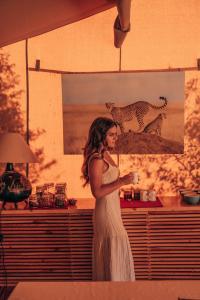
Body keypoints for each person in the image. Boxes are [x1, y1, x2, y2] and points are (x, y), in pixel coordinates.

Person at [81, 117, 135, 281]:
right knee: (114, 251)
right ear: (101, 135)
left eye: (115, 134)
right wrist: (123, 181)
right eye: (111, 135)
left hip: (113, 210)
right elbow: (97, 192)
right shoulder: (96, 159)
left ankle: (119, 294)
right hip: (105, 213)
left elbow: (108, 184)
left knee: (115, 253)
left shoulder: (105, 154)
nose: (115, 138)